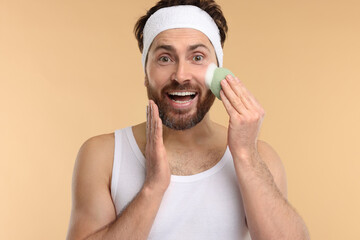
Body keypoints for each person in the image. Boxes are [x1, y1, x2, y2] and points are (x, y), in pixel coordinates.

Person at [66, 0, 310, 239]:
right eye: (164, 58)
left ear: (220, 73)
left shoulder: (261, 158)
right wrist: (152, 189)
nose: (181, 75)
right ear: (145, 73)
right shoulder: (104, 155)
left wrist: (246, 155)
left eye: (197, 57)